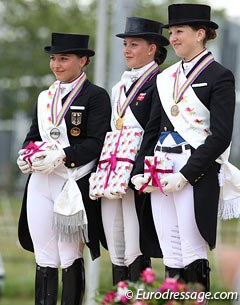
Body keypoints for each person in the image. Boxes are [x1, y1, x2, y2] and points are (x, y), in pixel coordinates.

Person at [132, 3, 238, 292]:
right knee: (170, 251)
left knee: (192, 250)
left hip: (195, 169)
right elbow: (152, 130)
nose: (174, 37)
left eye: (179, 31)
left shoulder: (220, 76)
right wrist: (141, 168)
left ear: (200, 34)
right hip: (161, 169)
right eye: (171, 31)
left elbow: (220, 136)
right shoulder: (165, 78)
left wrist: (186, 175)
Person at [16, 32, 111, 305]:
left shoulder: (96, 96)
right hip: (41, 181)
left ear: (83, 60)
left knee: (69, 255)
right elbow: (33, 136)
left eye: (64, 59)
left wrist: (62, 157)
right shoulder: (45, 97)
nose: (56, 65)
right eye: (53, 59)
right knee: (44, 256)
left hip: (72, 181)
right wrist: (26, 155)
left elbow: (96, 143)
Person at [99, 17, 169, 284]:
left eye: (134, 44)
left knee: (134, 243)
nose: (127, 49)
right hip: (112, 169)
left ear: (152, 49)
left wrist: (137, 169)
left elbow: (153, 130)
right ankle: (119, 296)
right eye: (125, 44)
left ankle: (137, 298)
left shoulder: (160, 82)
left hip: (137, 171)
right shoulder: (119, 86)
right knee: (114, 242)